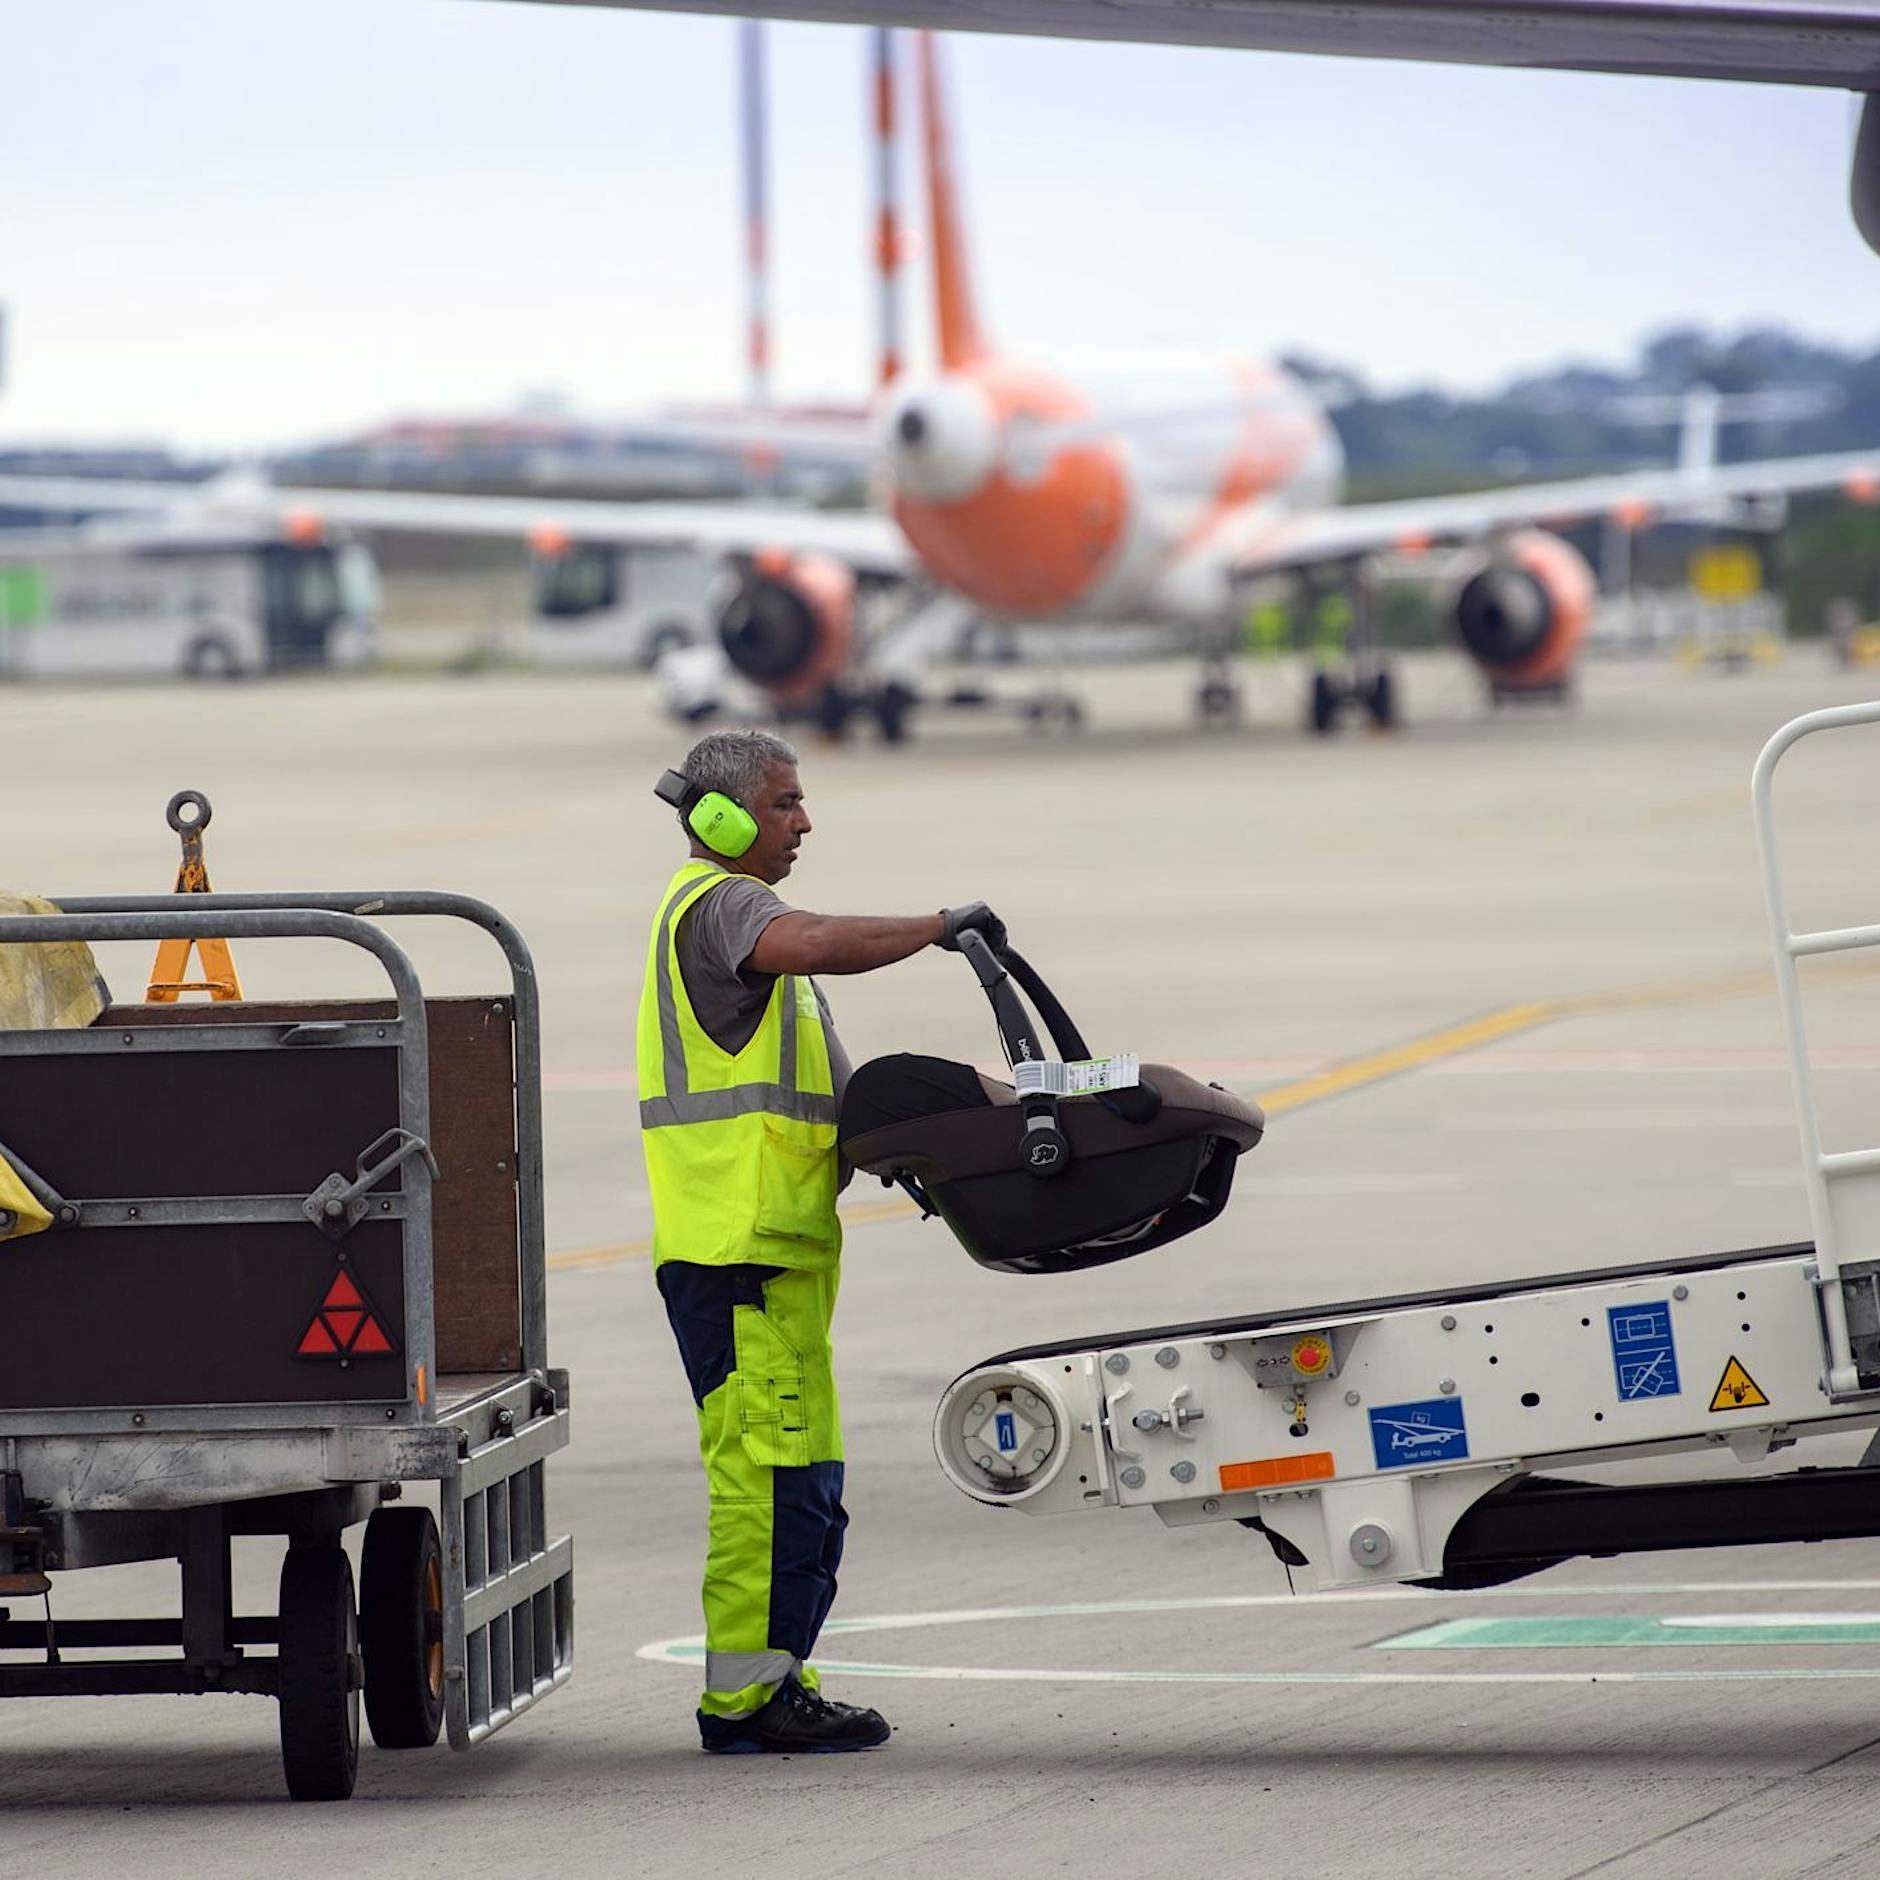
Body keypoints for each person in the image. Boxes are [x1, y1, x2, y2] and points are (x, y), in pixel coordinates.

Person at [638, 728, 1003, 1755]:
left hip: (778, 1261)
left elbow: (833, 1107)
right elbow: (814, 937)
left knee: (803, 1487)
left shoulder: (756, 950)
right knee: (764, 1485)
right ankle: (746, 1701)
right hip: (736, 1257)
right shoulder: (724, 908)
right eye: (785, 802)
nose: (804, 821)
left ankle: (775, 1681)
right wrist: (937, 925)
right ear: (720, 817)